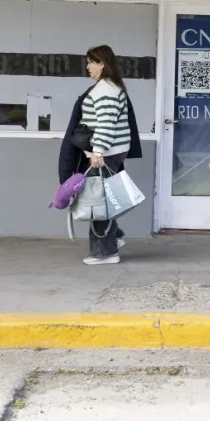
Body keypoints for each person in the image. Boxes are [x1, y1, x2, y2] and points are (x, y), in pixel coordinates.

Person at [59, 45, 143, 265]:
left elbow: (106, 124)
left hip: (105, 152)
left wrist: (97, 152)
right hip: (112, 151)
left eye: (90, 62)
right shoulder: (109, 87)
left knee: (98, 201)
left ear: (102, 64)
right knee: (105, 197)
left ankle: (105, 253)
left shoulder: (104, 90)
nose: (88, 67)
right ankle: (115, 236)